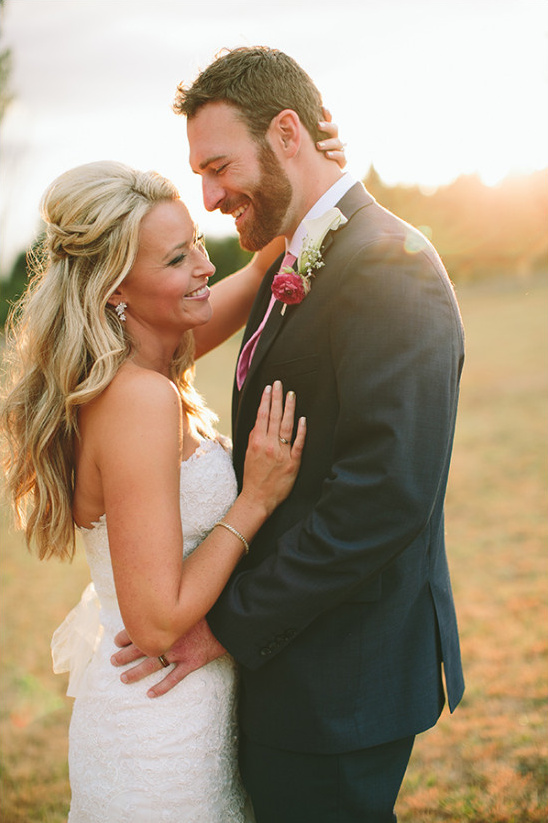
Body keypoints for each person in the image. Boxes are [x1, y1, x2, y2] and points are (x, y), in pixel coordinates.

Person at [113, 47, 466, 822]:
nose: (208, 197)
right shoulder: (313, 251)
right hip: (295, 673)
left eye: (217, 166)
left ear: (285, 133)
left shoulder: (387, 267)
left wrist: (224, 626)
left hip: (340, 682)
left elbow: (383, 497)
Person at [1, 125, 345, 823]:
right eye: (177, 258)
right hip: (159, 742)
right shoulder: (139, 398)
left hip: (179, 712)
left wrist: (311, 162)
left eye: (194, 243)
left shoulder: (152, 357)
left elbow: (255, 276)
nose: (203, 266)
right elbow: (155, 622)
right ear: (116, 289)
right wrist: (254, 499)